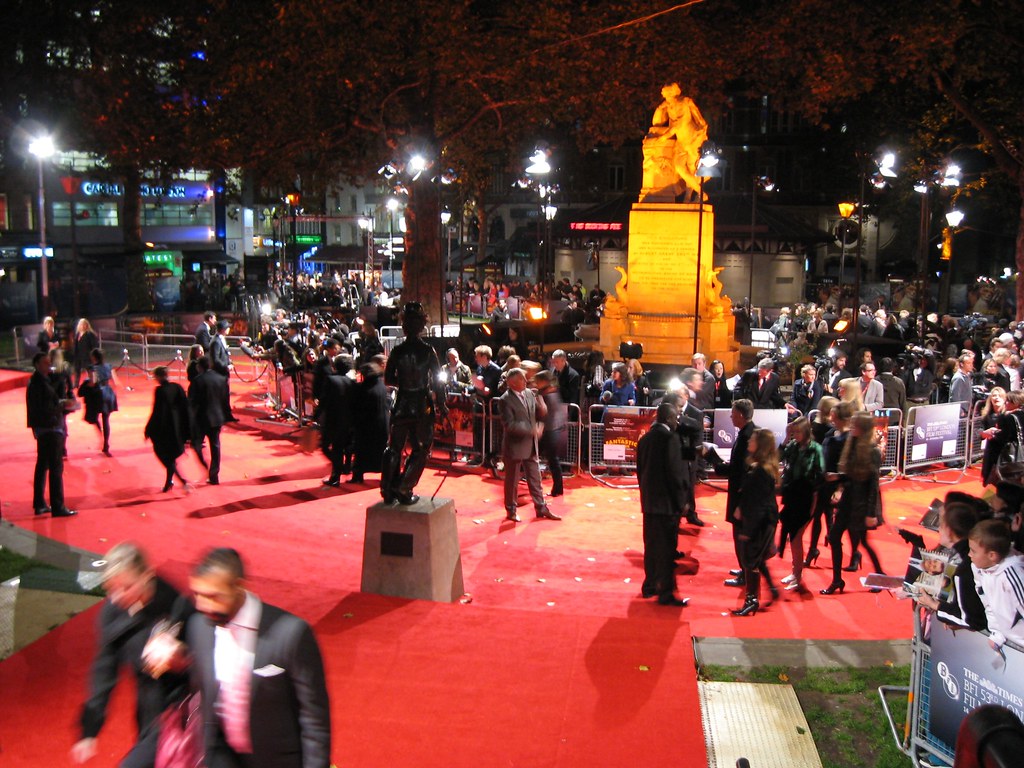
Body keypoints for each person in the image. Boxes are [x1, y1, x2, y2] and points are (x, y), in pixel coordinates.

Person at [186, 548, 331, 767]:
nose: (203, 605)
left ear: (239, 586)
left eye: (214, 596)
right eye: (198, 594)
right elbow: (202, 694)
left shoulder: (291, 633)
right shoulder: (199, 626)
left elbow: (314, 719)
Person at [71, 542, 192, 767]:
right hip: (147, 710)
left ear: (147, 575)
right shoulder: (113, 612)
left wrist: (182, 661)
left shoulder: (178, 606)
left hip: (181, 708)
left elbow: (210, 662)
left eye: (126, 587)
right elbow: (104, 669)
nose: (117, 597)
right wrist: (90, 728)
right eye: (111, 589)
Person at [381, 303, 446, 505]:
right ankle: (404, 486)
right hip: (421, 404)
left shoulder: (398, 351)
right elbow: (437, 381)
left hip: (401, 403)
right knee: (422, 449)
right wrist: (442, 404)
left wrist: (405, 384)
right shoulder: (427, 351)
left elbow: (389, 379)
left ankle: (388, 489)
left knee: (394, 448)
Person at [822, 411, 885, 595]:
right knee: (834, 537)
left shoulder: (872, 451)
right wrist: (838, 479)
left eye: (855, 424)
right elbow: (852, 475)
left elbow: (873, 484)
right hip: (849, 499)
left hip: (862, 503)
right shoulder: (852, 444)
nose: (851, 427)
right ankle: (836, 580)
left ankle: (880, 575)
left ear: (863, 428)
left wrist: (871, 513)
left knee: (864, 542)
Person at [637, 401, 689, 606]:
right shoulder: (671, 439)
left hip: (649, 501)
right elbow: (675, 475)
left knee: (650, 545)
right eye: (676, 418)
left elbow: (640, 471)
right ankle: (665, 592)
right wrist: (681, 502)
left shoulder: (645, 439)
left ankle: (650, 585)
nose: (677, 422)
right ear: (669, 418)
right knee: (667, 548)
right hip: (667, 504)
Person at [913, 501, 987, 632]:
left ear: (950, 531)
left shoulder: (965, 569)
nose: (938, 530)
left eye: (941, 525)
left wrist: (933, 604)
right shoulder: (970, 556)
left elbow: (973, 621)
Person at [499, 368, 561, 522]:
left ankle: (541, 507)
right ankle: (511, 510)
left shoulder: (529, 393)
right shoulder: (505, 400)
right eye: (522, 379)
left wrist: (540, 400)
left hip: (532, 445)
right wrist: (531, 430)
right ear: (512, 383)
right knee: (512, 481)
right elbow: (510, 425)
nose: (526, 381)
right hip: (514, 446)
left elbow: (540, 413)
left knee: (535, 478)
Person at [707, 399, 756, 586]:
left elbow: (738, 469)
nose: (730, 416)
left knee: (740, 534)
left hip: (741, 493)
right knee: (739, 533)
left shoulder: (747, 437)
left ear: (741, 416)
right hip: (741, 491)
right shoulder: (747, 432)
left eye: (733, 413)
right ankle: (744, 568)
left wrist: (713, 460)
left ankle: (745, 573)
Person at [732, 428, 781, 616]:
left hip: (760, 522)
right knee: (756, 560)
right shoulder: (761, 467)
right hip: (763, 520)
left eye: (753, 439)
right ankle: (764, 593)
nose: (749, 441)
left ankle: (751, 600)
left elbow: (758, 504)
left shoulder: (760, 471)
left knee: (750, 560)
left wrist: (748, 530)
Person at [27, 352, 76, 517]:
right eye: (45, 363)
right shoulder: (38, 383)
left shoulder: (41, 381)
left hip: (45, 427)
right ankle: (57, 506)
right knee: (55, 466)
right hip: (49, 427)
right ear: (37, 365)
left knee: (43, 465)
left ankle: (40, 503)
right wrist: (62, 406)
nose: (49, 366)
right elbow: (45, 407)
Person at [778, 418, 824, 593]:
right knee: (792, 537)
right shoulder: (793, 447)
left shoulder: (815, 449)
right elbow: (778, 456)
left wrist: (814, 504)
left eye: (797, 432)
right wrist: (786, 436)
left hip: (806, 499)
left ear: (805, 432)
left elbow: (819, 476)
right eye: (794, 432)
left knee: (797, 537)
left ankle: (798, 575)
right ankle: (795, 572)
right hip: (791, 497)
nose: (795, 435)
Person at [643, 82, 709, 202]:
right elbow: (656, 123)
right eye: (664, 94)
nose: (664, 95)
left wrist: (662, 138)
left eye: (667, 93)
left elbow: (678, 125)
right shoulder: (668, 106)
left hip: (693, 139)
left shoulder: (684, 102)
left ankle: (688, 197)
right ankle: (700, 193)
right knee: (679, 168)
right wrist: (660, 108)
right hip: (681, 143)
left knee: (691, 169)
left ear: (672, 93)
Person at [968, 519, 1024, 651]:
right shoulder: (978, 568)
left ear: (992, 555)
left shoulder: (1014, 574)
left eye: (973, 551)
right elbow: (988, 603)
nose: (969, 554)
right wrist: (997, 634)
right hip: (1012, 645)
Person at [144, 366, 193, 493]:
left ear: (160, 376)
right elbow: (185, 408)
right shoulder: (177, 387)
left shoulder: (160, 391)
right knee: (171, 457)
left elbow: (157, 411)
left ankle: (182, 481)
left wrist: (148, 429)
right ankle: (169, 482)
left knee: (166, 457)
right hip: (178, 428)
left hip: (165, 429)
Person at [188, 356, 228, 485]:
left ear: (199, 367)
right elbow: (224, 400)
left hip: (201, 419)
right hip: (216, 417)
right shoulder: (221, 379)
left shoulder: (197, 381)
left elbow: (192, 402)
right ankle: (214, 474)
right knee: (215, 446)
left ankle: (206, 466)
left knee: (196, 445)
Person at [317, 351, 354, 487]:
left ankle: (337, 473)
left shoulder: (330, 380)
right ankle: (342, 469)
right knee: (341, 447)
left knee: (327, 447)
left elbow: (324, 400)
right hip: (348, 420)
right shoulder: (351, 382)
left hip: (333, 419)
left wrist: (316, 415)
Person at [350, 361, 389, 484]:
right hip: (382, 424)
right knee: (380, 451)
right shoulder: (381, 386)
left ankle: (358, 475)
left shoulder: (363, 388)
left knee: (361, 451)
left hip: (367, 425)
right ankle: (385, 474)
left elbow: (357, 407)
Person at [78, 347, 119, 456]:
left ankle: (101, 434)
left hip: (98, 394)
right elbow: (116, 381)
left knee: (93, 417)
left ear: (93, 357)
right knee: (106, 420)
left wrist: (85, 384)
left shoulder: (92, 368)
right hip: (108, 393)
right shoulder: (109, 366)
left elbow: (93, 382)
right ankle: (106, 443)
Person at [533, 370, 567, 497]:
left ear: (544, 381)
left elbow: (545, 413)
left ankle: (557, 489)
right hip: (553, 428)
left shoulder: (548, 394)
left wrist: (540, 427)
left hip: (550, 430)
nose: (536, 383)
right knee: (550, 459)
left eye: (538, 381)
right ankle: (556, 488)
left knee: (551, 459)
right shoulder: (551, 391)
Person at [981, 390, 1024, 486]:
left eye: (1008, 400)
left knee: (998, 484)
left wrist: (993, 434)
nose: (1006, 402)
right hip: (1020, 457)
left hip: (1007, 459)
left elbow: (1002, 438)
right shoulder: (1021, 415)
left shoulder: (1008, 418)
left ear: (1015, 402)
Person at [209, 319, 239, 422]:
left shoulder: (220, 339)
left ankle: (226, 415)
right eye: (228, 327)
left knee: (224, 394)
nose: (229, 329)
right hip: (220, 373)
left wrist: (229, 362)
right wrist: (226, 366)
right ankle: (224, 416)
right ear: (223, 329)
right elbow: (215, 359)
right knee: (222, 395)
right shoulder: (216, 341)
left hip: (222, 372)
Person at [72, 318, 100, 387]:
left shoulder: (89, 334)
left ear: (87, 325)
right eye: (81, 324)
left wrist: (93, 354)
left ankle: (92, 382)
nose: (83, 326)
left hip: (87, 355)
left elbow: (94, 345)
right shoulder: (77, 334)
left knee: (89, 369)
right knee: (77, 369)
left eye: (84, 324)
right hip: (78, 355)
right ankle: (76, 384)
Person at [948, 352, 976, 416]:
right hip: (960, 412)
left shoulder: (967, 376)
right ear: (962, 364)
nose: (971, 365)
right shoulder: (959, 378)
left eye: (972, 363)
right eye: (968, 363)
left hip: (966, 410)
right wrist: (960, 411)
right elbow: (954, 396)